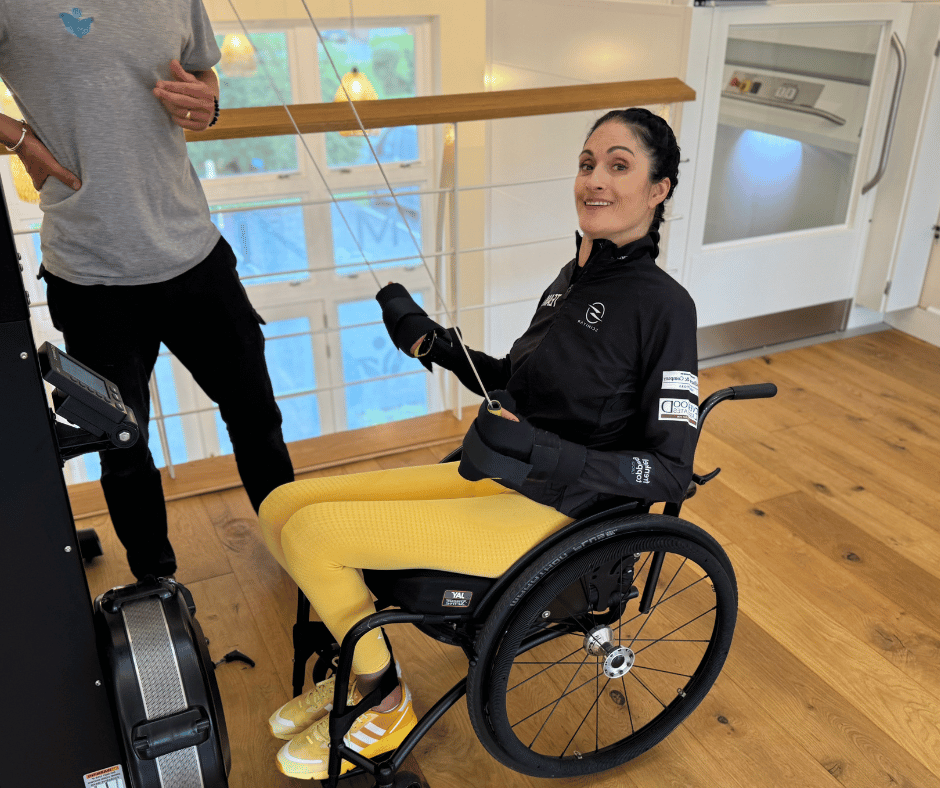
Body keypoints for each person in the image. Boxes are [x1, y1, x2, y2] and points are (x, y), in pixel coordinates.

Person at [258, 107, 697, 781]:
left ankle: (383, 700)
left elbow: (670, 472)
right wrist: (432, 341)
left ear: (658, 188)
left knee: (316, 536)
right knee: (283, 506)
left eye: (619, 165)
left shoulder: (665, 306)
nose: (595, 181)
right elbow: (516, 385)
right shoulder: (570, 279)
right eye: (587, 164)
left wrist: (546, 455)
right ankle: (360, 672)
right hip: (508, 474)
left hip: (558, 510)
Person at [0, 1, 294, 580]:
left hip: (196, 255)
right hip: (92, 277)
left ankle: (297, 546)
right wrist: (18, 139)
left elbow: (203, 76)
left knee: (257, 417)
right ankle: (155, 588)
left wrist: (209, 103)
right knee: (123, 449)